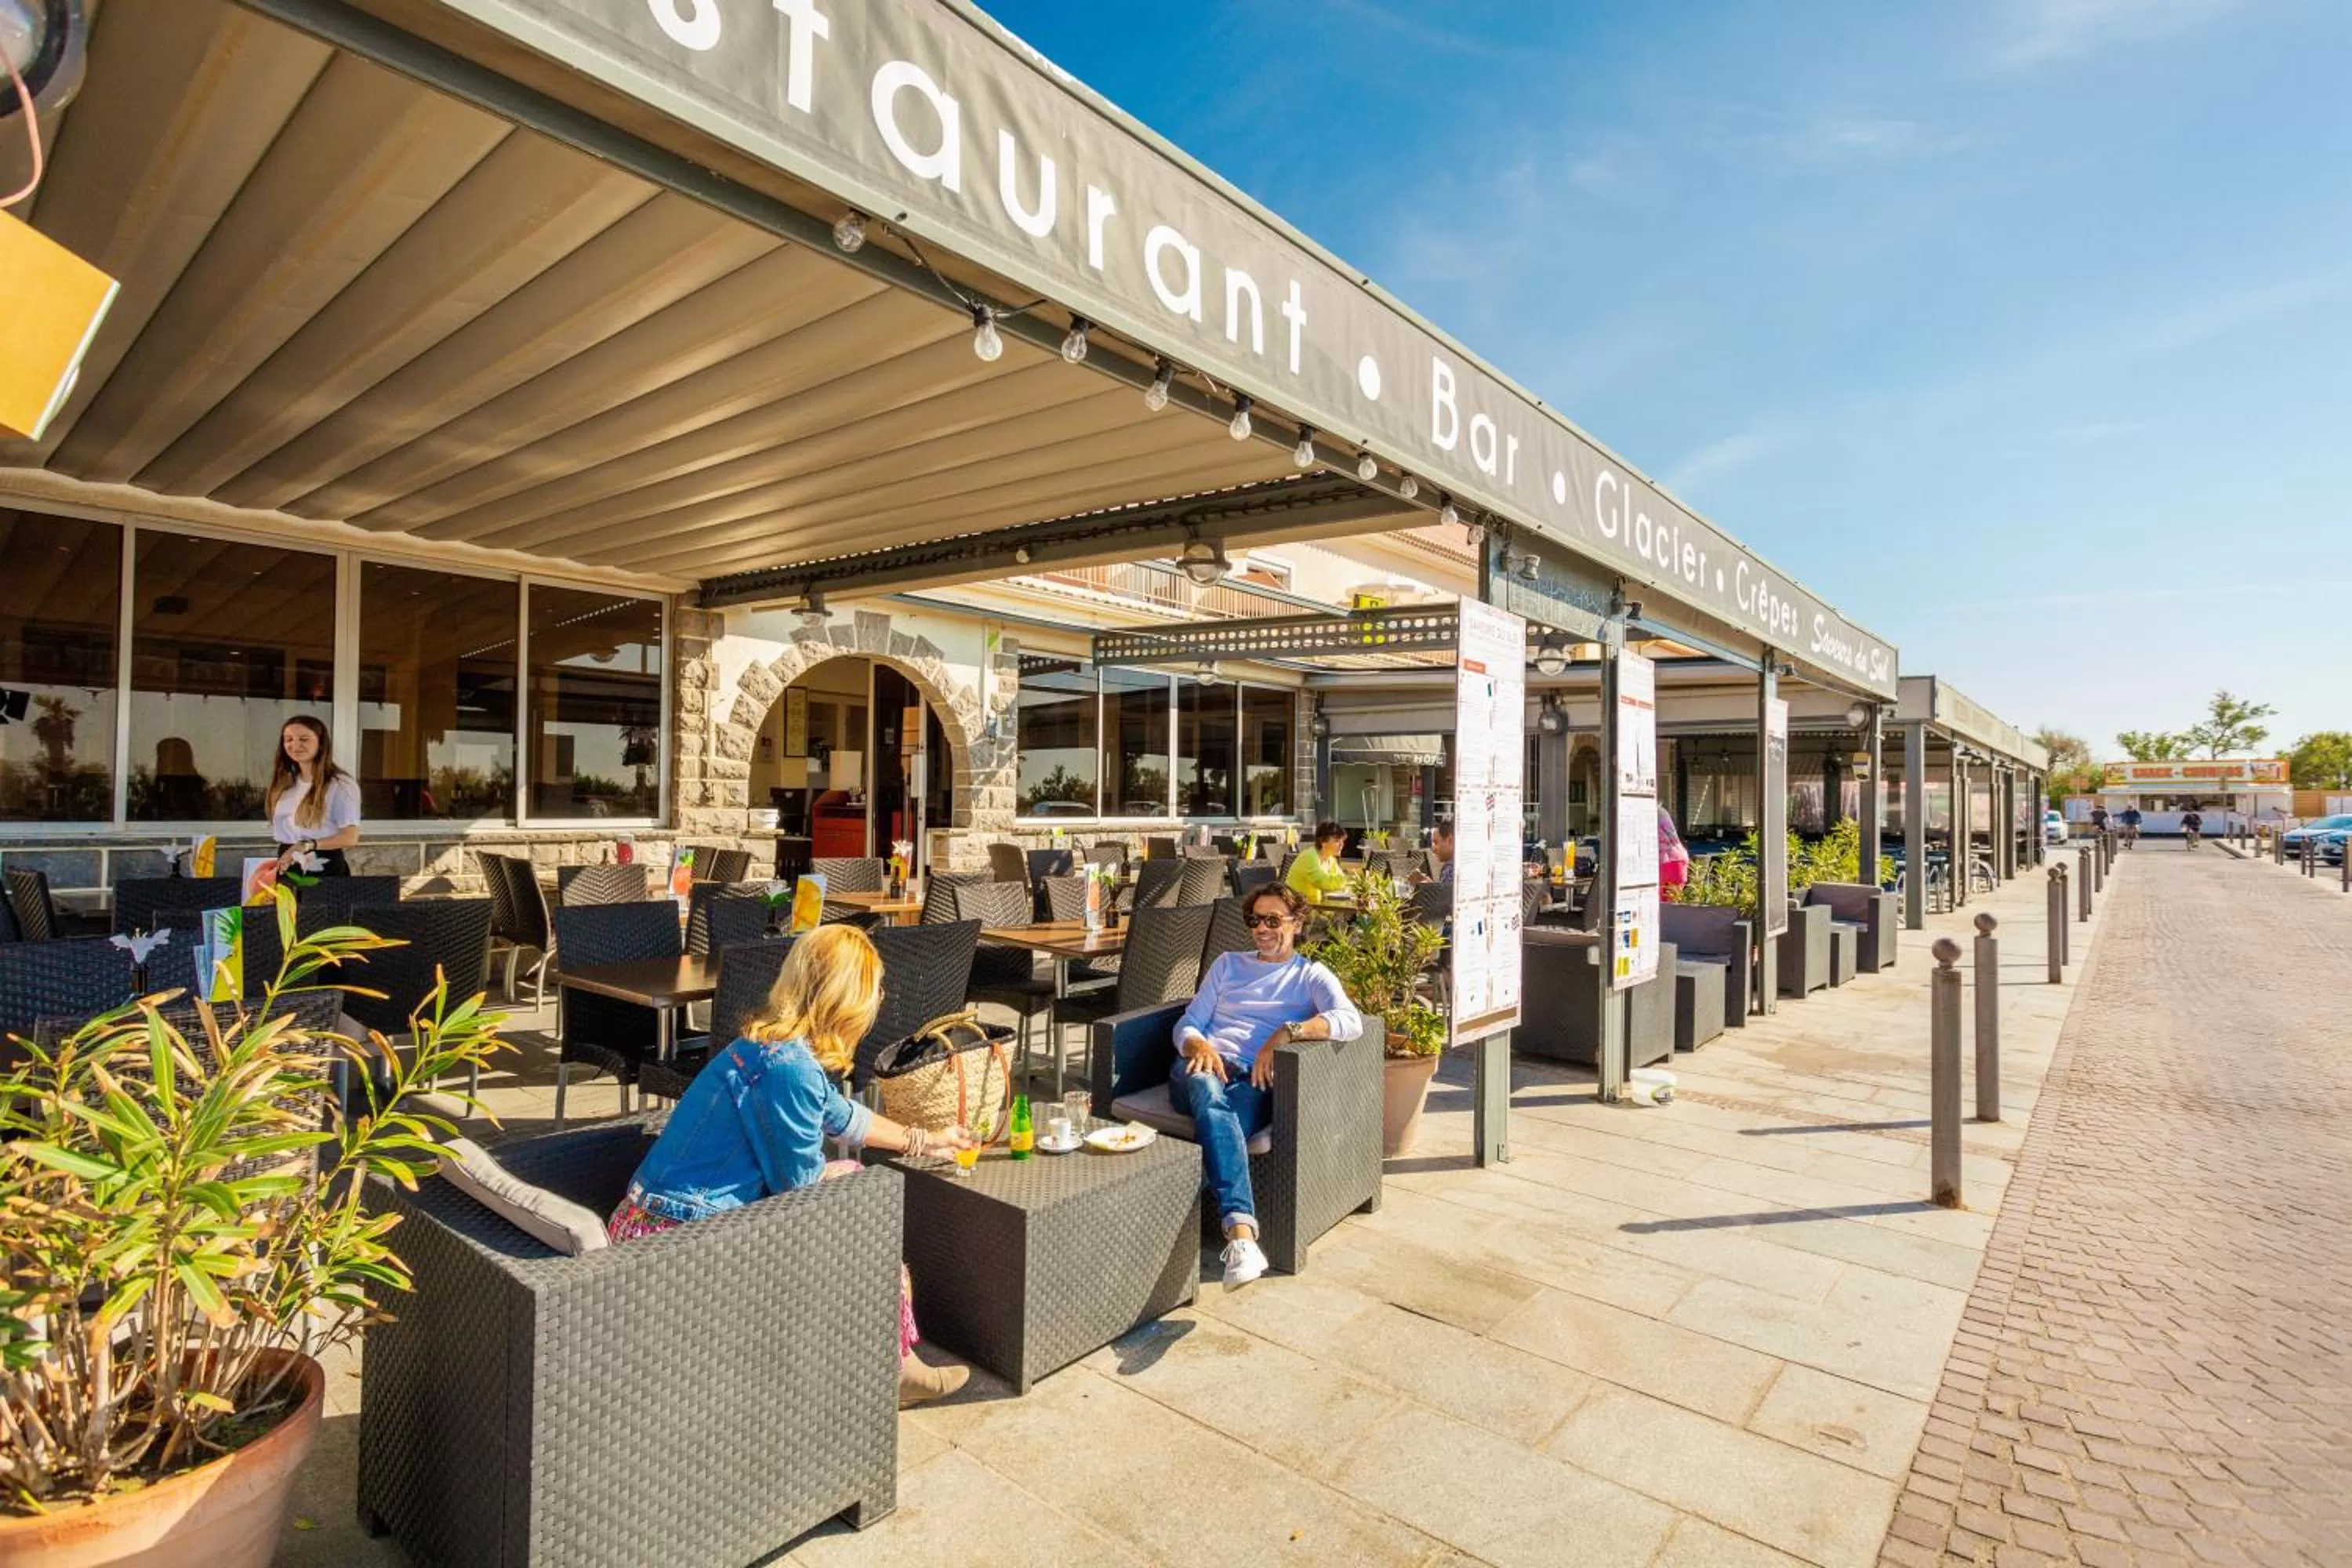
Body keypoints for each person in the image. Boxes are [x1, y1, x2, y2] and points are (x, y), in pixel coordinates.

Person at [605, 925, 977, 1406]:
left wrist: (925, 1140)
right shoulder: (789, 1068)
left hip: (650, 1223)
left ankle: (881, 1362)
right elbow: (798, 1191)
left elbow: (842, 1116)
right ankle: (894, 1372)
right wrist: (850, 1180)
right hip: (676, 1245)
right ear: (847, 999)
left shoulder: (770, 1047)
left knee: (854, 1204)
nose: (881, 998)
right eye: (875, 988)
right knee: (863, 1210)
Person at [1171, 882, 1363, 1287]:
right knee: (1206, 1089)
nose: (1262, 928)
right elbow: (1187, 1022)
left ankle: (1161, 1216)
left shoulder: (1309, 974)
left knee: (1221, 1122)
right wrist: (1199, 1044)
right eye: (1255, 919)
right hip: (1199, 1066)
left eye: (1273, 920)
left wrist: (1287, 1033)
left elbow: (1351, 1022)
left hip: (1253, 1080)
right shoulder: (1227, 964)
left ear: (1297, 923)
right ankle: (1242, 1235)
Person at [265, 715, 361, 876]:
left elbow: (350, 838)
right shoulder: (287, 783)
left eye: (304, 739)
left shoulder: (340, 785)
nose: (295, 745)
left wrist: (308, 845)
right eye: (288, 739)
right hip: (287, 862)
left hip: (323, 865)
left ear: (321, 743)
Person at [1284, 819, 1351, 905]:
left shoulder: (1330, 859)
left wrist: (1345, 881)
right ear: (1323, 842)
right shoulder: (1310, 856)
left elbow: (1339, 879)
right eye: (1337, 841)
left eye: (1343, 841)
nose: (1342, 845)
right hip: (1297, 908)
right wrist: (1347, 879)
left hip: (1315, 907)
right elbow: (1323, 882)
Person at [1657, 808, 1691, 898]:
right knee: (1671, 903)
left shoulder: (1652, 814)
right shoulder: (1662, 812)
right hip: (1679, 859)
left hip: (1665, 862)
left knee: (1661, 904)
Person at [1409, 821, 1455, 886]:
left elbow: (1443, 895)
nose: (1433, 849)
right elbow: (1442, 891)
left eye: (1436, 842)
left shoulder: (1451, 870)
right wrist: (1428, 884)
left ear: (1450, 841)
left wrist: (1424, 884)